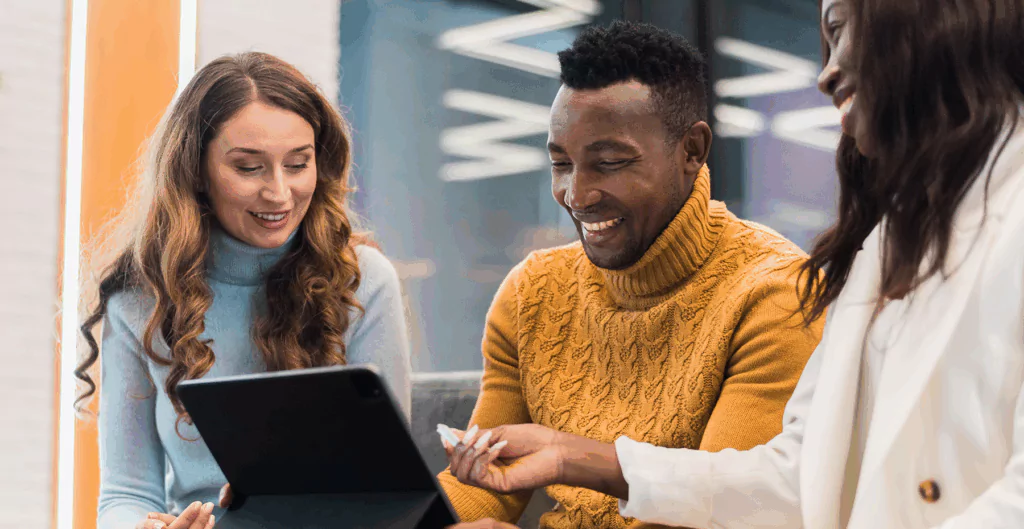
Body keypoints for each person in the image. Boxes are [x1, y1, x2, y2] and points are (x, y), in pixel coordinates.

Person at [444, 0, 1024, 528]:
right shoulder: (888, 246)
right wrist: (571, 456)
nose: (827, 73)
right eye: (562, 164)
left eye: (842, 30)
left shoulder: (771, 288)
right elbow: (796, 476)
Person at [435, 21, 825, 529]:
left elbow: (723, 511)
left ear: (692, 151)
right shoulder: (533, 291)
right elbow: (480, 488)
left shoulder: (774, 295)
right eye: (561, 163)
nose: (576, 194)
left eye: (610, 162)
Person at [77, 52, 412, 529]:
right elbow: (125, 494)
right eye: (249, 168)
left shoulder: (363, 282)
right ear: (195, 171)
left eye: (298, 164)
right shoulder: (139, 300)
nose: (279, 193)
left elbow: (389, 487)